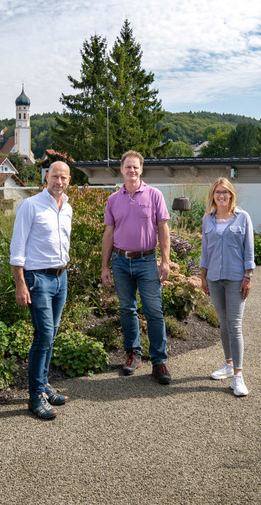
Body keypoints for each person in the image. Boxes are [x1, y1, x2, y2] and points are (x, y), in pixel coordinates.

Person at [101, 150, 172, 384]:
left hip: (146, 261)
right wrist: (105, 267)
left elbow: (163, 229)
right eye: (128, 167)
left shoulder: (154, 195)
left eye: (136, 167)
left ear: (141, 170)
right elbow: (108, 234)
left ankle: (159, 361)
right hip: (120, 262)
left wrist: (165, 261)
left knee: (153, 311)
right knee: (127, 309)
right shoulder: (113, 199)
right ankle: (133, 354)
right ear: (121, 170)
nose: (132, 170)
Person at [10, 161, 73, 419]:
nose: (59, 181)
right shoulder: (31, 205)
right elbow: (17, 248)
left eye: (64, 177)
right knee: (43, 335)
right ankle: (35, 395)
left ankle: (44, 385)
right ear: (47, 177)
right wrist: (20, 284)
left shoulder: (67, 207)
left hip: (61, 278)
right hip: (37, 279)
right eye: (55, 176)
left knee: (52, 334)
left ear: (69, 180)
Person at [199, 177, 255, 397]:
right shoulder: (208, 219)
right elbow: (205, 250)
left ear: (231, 194)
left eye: (225, 192)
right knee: (223, 324)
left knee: (235, 325)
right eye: (217, 192)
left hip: (235, 279)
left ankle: (238, 377)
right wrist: (203, 276)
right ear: (212, 195)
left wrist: (248, 276)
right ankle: (228, 364)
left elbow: (248, 249)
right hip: (214, 278)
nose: (221, 195)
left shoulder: (243, 218)